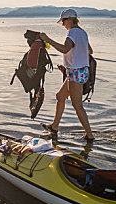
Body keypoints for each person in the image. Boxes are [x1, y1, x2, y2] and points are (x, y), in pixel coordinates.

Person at [39, 9, 95, 141]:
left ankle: (90, 135)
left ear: (70, 19)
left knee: (77, 106)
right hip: (79, 71)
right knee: (60, 96)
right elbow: (89, 51)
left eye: (63, 21)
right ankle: (54, 127)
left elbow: (65, 49)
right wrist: (68, 65)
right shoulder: (82, 32)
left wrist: (48, 40)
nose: (63, 24)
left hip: (75, 73)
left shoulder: (73, 32)